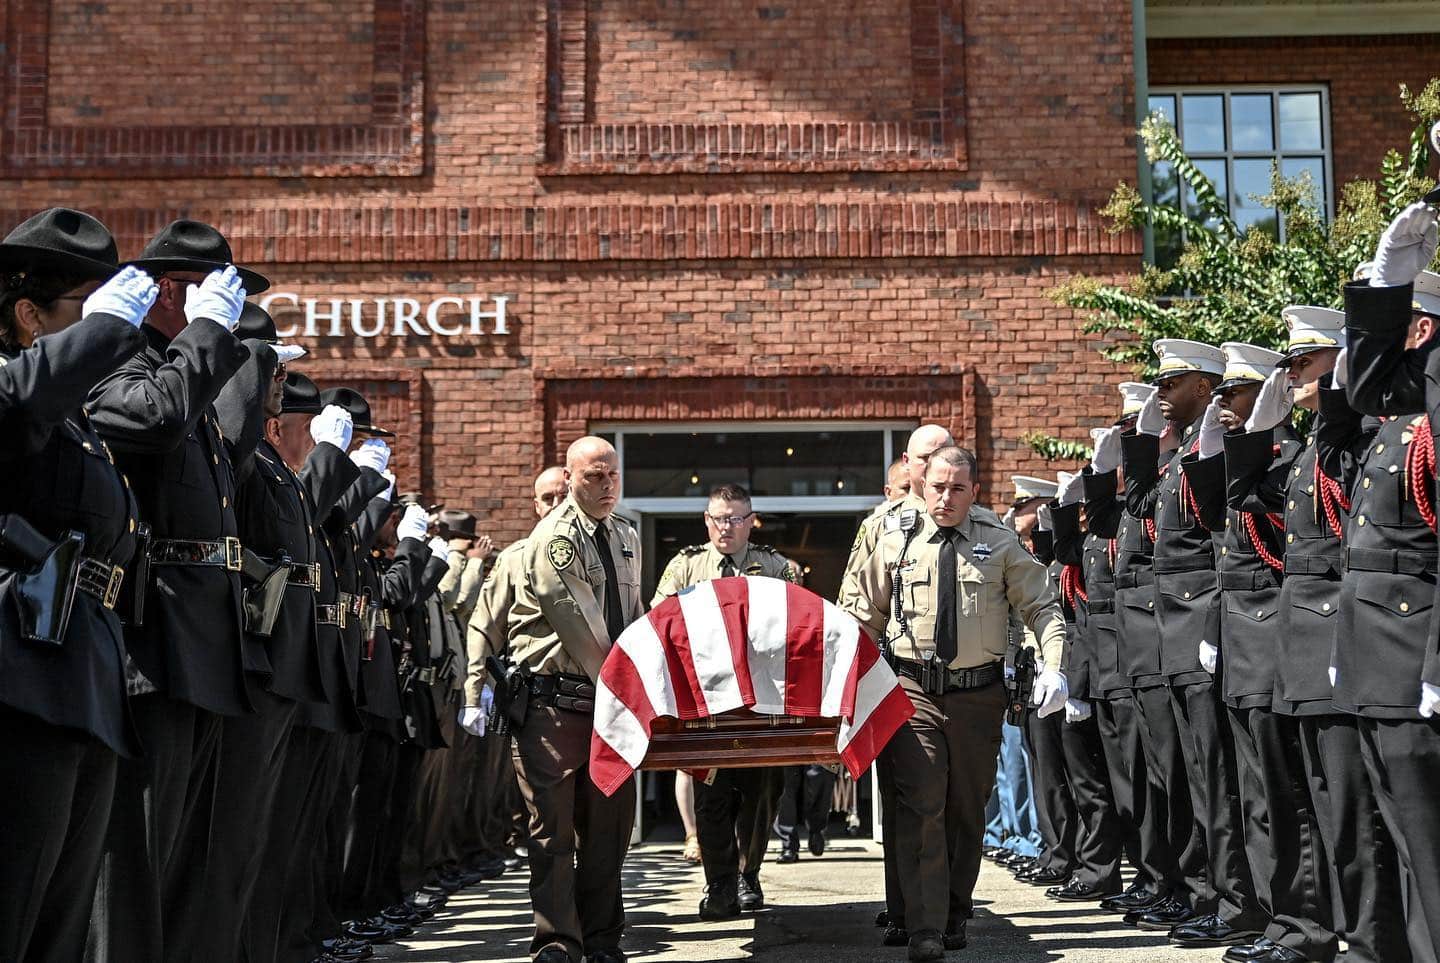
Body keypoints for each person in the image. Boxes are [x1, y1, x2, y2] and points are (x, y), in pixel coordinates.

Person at [84, 219, 258, 963]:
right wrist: (206, 337)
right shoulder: (119, 357)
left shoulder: (187, 369)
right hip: (151, 637)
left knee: (185, 848)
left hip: (200, 641)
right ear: (162, 292)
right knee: (138, 853)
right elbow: (150, 420)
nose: (218, 305)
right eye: (199, 289)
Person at [842, 445, 1068, 961]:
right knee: (922, 804)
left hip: (978, 697)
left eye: (957, 489)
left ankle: (954, 912)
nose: (945, 497)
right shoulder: (895, 541)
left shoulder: (1000, 543)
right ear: (922, 484)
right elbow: (861, 614)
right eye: (937, 486)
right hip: (912, 689)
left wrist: (1054, 665)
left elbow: (1041, 606)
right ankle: (924, 929)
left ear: (974, 492)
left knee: (966, 811)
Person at [0, 211, 152, 963]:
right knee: (17, 899)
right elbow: (16, 405)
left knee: (62, 908)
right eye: (80, 317)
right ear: (30, 315)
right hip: (22, 672)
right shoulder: (18, 390)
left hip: (83, 665)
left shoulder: (75, 415)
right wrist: (100, 334)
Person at [1181, 342, 1339, 962]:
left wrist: (1264, 430)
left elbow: (1263, 518)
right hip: (1247, 639)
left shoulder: (1300, 459)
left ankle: (1305, 923)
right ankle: (1284, 920)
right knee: (1261, 797)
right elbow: (1222, 506)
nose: (1224, 407)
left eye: (1235, 395)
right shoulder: (1267, 463)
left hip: (1283, 636)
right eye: (1219, 396)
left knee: (1294, 798)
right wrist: (1231, 441)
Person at [1121, 340, 1266, 946]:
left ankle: (1228, 899)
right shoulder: (1175, 461)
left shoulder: (1213, 455)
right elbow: (1133, 508)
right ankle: (1205, 892)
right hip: (1169, 633)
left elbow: (1218, 547)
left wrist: (1210, 627)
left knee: (1217, 779)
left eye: (1172, 381)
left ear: (1203, 389)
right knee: (1191, 778)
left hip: (1203, 623)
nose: (1159, 391)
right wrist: (1139, 442)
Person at [1337, 215, 1440, 959]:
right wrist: (1388, 285)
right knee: (1408, 842)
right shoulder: (1409, 410)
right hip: (1384, 649)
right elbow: (1371, 385)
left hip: (1415, 647)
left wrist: (1436, 662)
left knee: (1429, 853)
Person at [506, 437, 642, 963]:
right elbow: (582, 628)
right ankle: (558, 942)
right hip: (555, 706)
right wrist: (632, 691)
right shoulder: (556, 538)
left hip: (607, 703)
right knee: (553, 834)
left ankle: (603, 939)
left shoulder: (626, 534)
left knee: (609, 831)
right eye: (593, 477)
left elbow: (632, 617)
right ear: (569, 478)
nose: (607, 486)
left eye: (612, 475)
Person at [650, 482, 796, 917]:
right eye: (718, 518)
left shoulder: (776, 568)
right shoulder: (685, 567)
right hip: (706, 704)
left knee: (760, 793)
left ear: (752, 522)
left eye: (735, 519)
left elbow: (794, 630)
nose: (725, 527)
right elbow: (658, 623)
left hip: (761, 704)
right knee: (711, 795)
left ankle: (749, 876)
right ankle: (719, 885)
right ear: (706, 521)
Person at [839, 423, 953, 946]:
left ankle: (941, 907)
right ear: (908, 464)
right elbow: (854, 602)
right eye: (927, 456)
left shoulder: (969, 520)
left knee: (946, 803)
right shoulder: (879, 525)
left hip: (958, 682)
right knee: (904, 797)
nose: (936, 464)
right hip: (894, 675)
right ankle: (903, 909)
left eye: (944, 454)